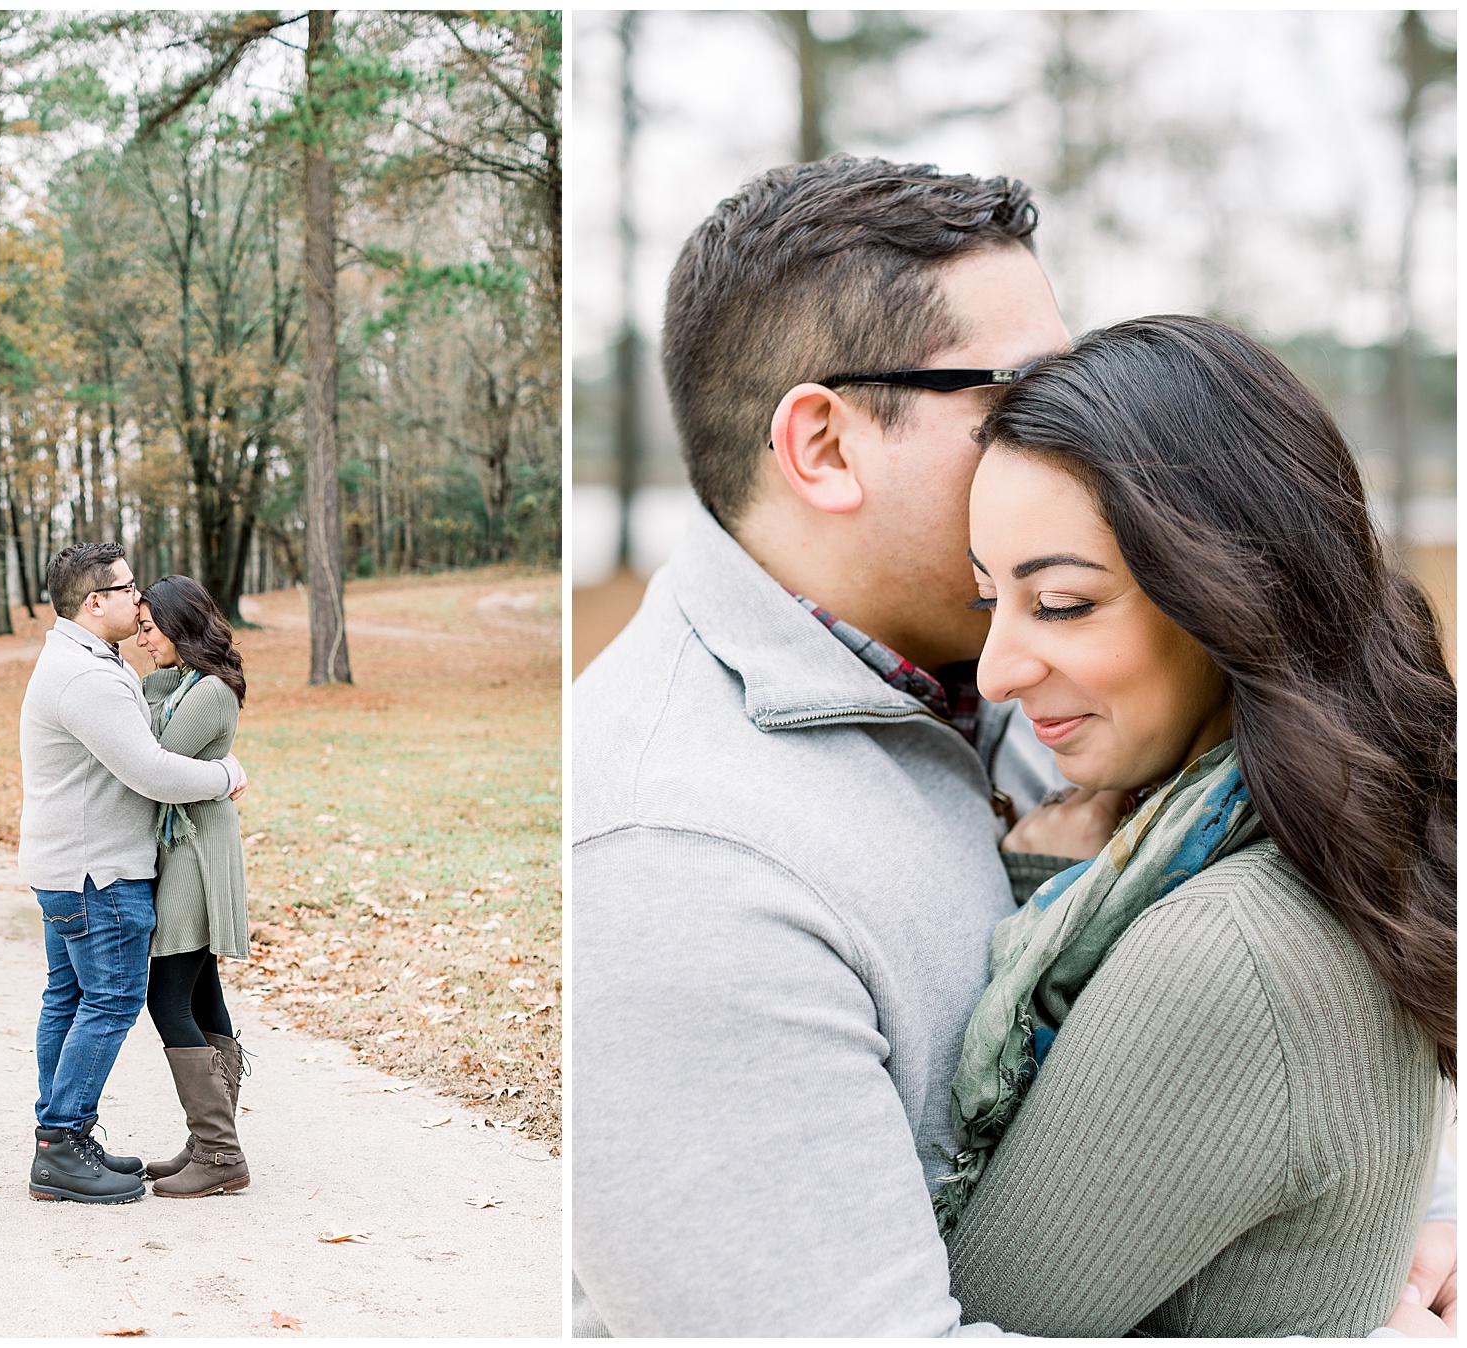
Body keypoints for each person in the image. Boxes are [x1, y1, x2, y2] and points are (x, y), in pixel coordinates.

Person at [570, 155, 1457, 1336]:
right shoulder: (674, 853)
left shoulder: (1039, 671)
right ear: (824, 445)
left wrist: (1405, 1200)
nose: (1076, 422)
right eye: (1017, 393)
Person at [936, 315, 1454, 1336]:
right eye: (989, 597)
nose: (995, 672)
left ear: (1234, 591)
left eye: (1064, 602)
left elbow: (954, 1321)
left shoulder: (1226, 953)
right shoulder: (1326, 837)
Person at [19, 542, 247, 1205]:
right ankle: (62, 1143)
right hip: (97, 872)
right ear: (97, 601)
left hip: (72, 865)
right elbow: (150, 770)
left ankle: (65, 1138)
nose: (135, 598)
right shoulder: (88, 677)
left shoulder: (82, 659)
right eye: (127, 589)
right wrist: (228, 773)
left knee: (69, 1000)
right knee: (114, 1000)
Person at [131, 575, 252, 1199]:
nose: (143, 640)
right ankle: (212, 1140)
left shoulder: (207, 691)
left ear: (181, 626)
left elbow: (153, 759)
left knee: (165, 995)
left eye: (151, 629)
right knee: (202, 992)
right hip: (187, 843)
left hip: (197, 850)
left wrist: (142, 700)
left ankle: (220, 1149)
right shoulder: (179, 683)